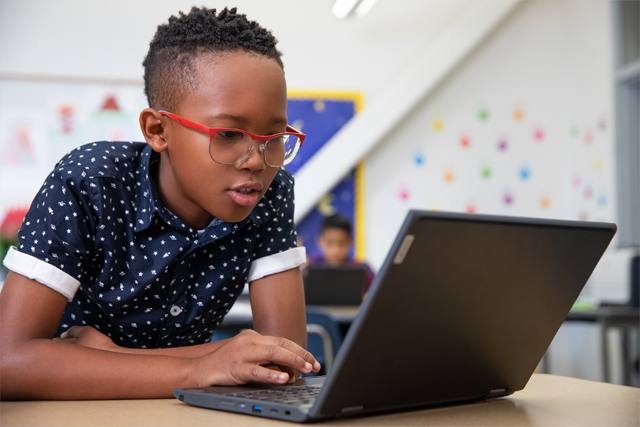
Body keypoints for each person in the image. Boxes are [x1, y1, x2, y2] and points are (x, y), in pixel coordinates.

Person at [0, 6, 320, 400]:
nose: (257, 159)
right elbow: (9, 363)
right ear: (158, 130)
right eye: (228, 134)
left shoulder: (270, 193)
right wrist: (203, 367)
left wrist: (114, 357)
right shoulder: (90, 182)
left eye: (274, 136)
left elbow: (283, 360)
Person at [308, 214, 375, 293]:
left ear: (350, 241)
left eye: (341, 243)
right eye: (329, 243)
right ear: (320, 241)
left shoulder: (363, 269)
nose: (336, 250)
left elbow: (378, 294)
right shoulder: (309, 268)